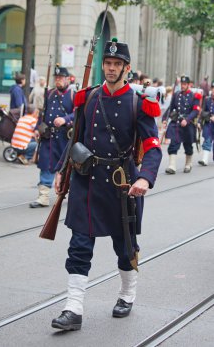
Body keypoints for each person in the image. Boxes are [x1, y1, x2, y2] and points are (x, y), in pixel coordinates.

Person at [51, 38, 162, 331]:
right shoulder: (88, 97)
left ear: (127, 68)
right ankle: (73, 308)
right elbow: (77, 138)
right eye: (108, 64)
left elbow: (152, 146)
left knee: (125, 249)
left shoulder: (139, 103)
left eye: (117, 65)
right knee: (79, 246)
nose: (111, 69)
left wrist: (144, 177)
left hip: (122, 185)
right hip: (87, 181)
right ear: (102, 66)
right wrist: (63, 170)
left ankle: (127, 293)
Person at [29, 65, 75, 208]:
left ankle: (73, 195)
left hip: (65, 138)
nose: (58, 80)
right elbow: (43, 113)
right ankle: (43, 197)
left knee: (68, 168)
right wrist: (38, 128)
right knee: (46, 165)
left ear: (68, 79)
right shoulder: (49, 93)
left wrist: (65, 120)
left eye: (61, 78)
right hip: (48, 137)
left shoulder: (74, 95)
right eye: (57, 78)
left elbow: (78, 114)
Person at [163, 75, 202, 174]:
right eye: (182, 84)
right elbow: (170, 108)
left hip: (188, 124)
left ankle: (188, 164)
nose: (183, 86)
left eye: (185, 84)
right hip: (177, 123)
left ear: (189, 85)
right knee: (173, 144)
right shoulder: (176, 94)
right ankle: (172, 166)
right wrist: (165, 119)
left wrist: (187, 120)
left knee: (188, 146)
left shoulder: (194, 96)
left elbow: (196, 111)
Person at [198, 80, 214, 166]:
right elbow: (202, 111)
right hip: (208, 124)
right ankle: (205, 159)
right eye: (213, 88)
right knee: (207, 140)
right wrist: (199, 122)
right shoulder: (207, 99)